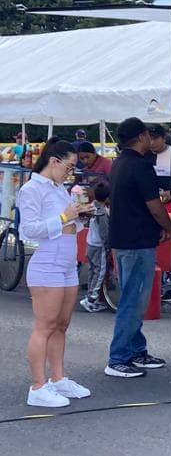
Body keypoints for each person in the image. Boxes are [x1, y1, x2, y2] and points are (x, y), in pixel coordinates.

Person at [18, 138, 91, 408]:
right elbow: (29, 230)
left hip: (66, 262)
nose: (70, 172)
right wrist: (63, 217)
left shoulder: (60, 187)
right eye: (69, 166)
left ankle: (58, 378)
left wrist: (80, 216)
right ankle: (38, 385)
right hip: (47, 262)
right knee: (45, 326)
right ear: (54, 161)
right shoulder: (32, 189)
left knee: (61, 325)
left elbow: (70, 225)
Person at [104, 118, 171, 379]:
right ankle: (118, 357)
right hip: (138, 241)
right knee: (134, 300)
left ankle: (136, 349)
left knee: (132, 296)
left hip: (122, 239)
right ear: (142, 136)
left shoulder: (118, 163)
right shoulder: (141, 166)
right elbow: (154, 204)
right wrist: (170, 227)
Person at [80, 182, 111, 312]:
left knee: (93, 270)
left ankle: (90, 296)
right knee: (100, 272)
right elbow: (104, 232)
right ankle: (91, 299)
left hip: (90, 243)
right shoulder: (102, 212)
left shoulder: (92, 207)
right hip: (99, 246)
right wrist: (108, 245)